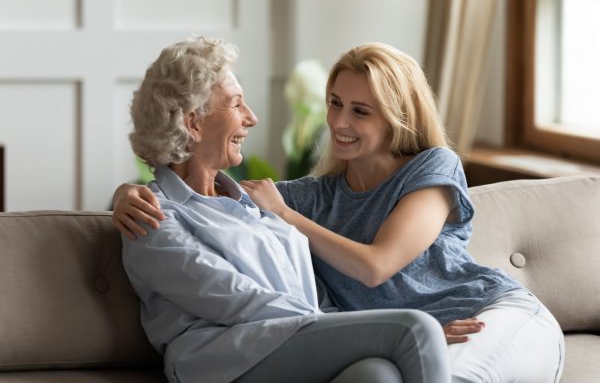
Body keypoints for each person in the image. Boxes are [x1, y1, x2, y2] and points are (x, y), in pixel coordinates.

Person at [114, 41, 565, 383]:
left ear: (395, 115)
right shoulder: (297, 198)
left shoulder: (430, 168)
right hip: (358, 340)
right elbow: (203, 223)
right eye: (335, 104)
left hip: (487, 312)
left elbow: (376, 267)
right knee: (381, 374)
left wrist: (290, 219)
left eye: (361, 111)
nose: (339, 123)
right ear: (192, 122)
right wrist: (125, 196)